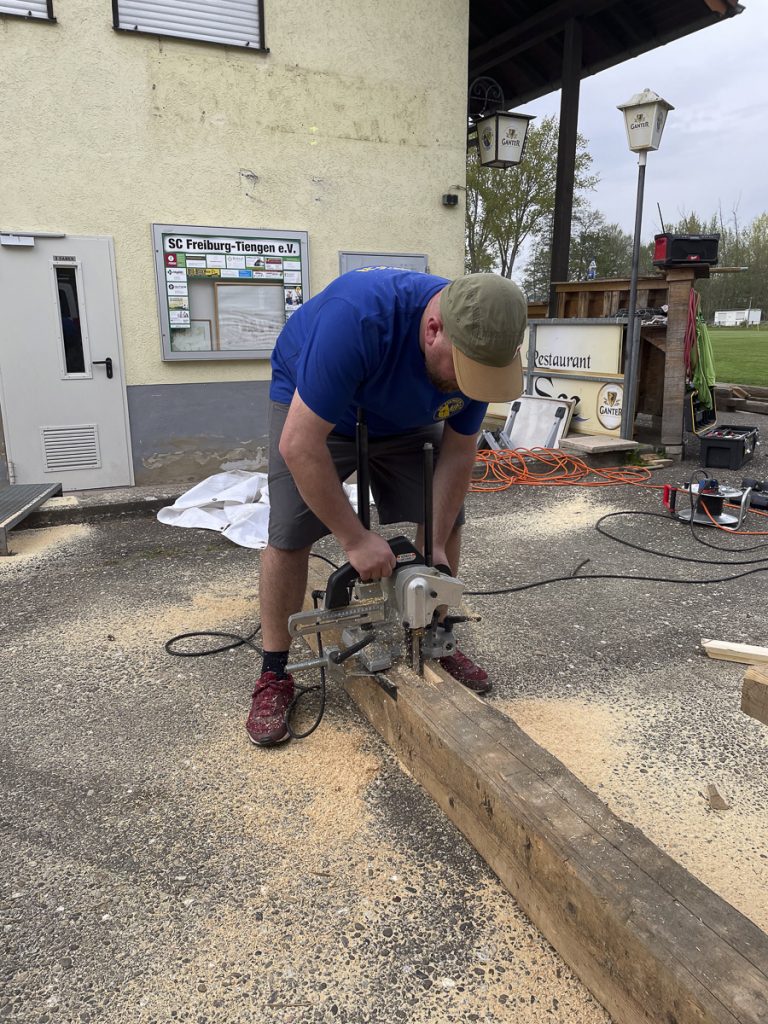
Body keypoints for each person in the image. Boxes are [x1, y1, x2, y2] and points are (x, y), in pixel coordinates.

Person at [247, 268, 527, 746]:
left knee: (447, 520)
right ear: (434, 329)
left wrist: (433, 545)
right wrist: (355, 539)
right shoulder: (355, 319)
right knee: (290, 532)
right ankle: (274, 671)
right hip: (317, 413)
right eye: (462, 372)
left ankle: (435, 636)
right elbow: (299, 445)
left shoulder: (480, 345)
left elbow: (459, 456)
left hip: (410, 415)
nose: (469, 384)